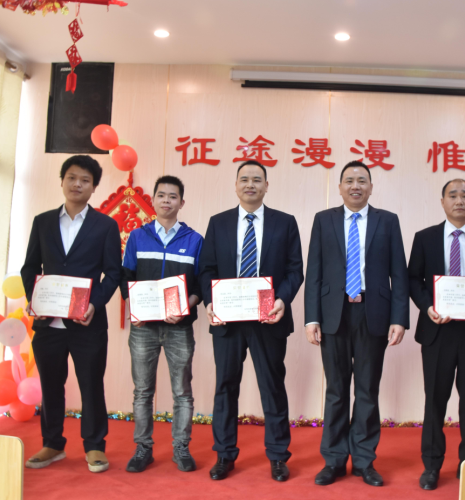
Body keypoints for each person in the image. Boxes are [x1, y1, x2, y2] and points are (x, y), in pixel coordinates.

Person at [304, 160, 409, 487]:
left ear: (371, 187)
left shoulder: (387, 221)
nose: (355, 186)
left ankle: (364, 460)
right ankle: (334, 460)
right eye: (349, 180)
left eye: (362, 180)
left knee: (367, 390)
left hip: (372, 313)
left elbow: (399, 274)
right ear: (339, 187)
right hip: (333, 314)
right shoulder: (323, 220)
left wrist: (399, 318)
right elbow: (314, 272)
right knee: (336, 391)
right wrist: (311, 318)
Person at [199, 160, 304, 482]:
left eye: (257, 179)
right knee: (225, 387)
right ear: (235, 185)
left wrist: (281, 300)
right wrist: (211, 301)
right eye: (244, 179)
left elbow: (294, 270)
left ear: (266, 186)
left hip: (268, 319)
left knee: (272, 386)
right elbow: (206, 269)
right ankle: (224, 454)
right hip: (227, 321)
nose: (250, 185)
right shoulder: (218, 222)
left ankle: (277, 455)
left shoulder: (285, 223)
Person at [21, 155, 122, 473]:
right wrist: (34, 300)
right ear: (62, 181)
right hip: (47, 323)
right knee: (51, 384)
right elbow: (30, 268)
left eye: (85, 180)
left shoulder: (106, 225)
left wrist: (95, 304)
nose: (77, 184)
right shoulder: (43, 221)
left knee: (91, 384)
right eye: (72, 178)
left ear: (94, 187)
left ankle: (95, 446)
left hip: (87, 322)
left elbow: (113, 273)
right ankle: (52, 444)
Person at [408, 179, 465, 490]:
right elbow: (413, 280)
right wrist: (428, 307)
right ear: (442, 201)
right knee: (435, 401)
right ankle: (432, 465)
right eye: (453, 195)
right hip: (438, 330)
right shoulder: (425, 238)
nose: (459, 200)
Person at [120, 175, 204, 473]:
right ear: (153, 200)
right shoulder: (137, 237)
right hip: (143, 328)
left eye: (173, 196)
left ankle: (181, 447)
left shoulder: (195, 240)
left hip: (179, 327)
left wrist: (186, 307)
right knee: (143, 391)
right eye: (161, 195)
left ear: (182, 202)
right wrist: (136, 307)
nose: (167, 200)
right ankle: (143, 448)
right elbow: (126, 278)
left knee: (182, 391)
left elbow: (201, 284)